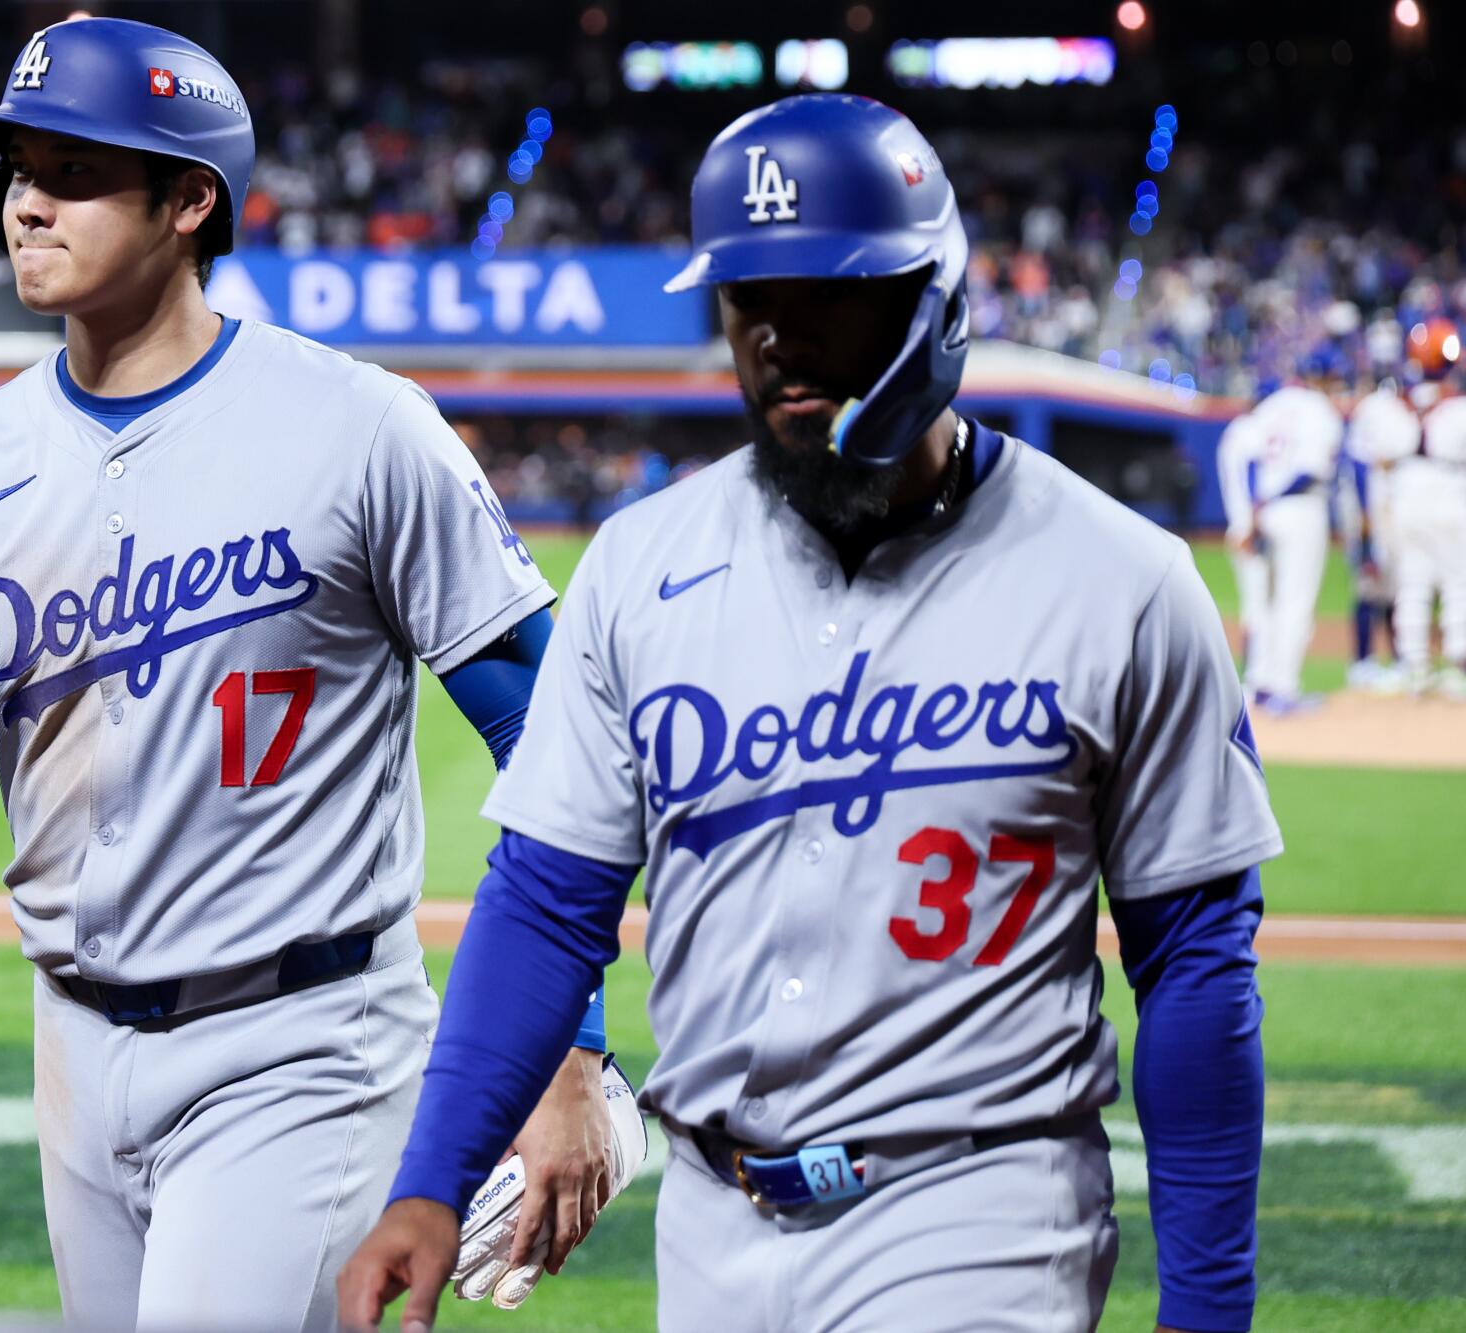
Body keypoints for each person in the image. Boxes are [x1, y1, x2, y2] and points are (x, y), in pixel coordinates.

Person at [340, 94, 1280, 1333]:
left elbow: (1192, 958)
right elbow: (544, 899)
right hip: (713, 1224)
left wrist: (1207, 1306)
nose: (778, 337)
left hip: (982, 1214)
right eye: (747, 301)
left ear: (934, 299)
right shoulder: (639, 567)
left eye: (826, 296)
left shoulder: (1120, 579)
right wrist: (431, 1183)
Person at [0, 19, 622, 1330]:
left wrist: (570, 1044)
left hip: (304, 1043)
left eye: (71, 171)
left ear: (192, 202)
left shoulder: (360, 429)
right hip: (71, 1044)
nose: (24, 203)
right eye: (17, 167)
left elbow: (553, 728)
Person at [1246, 368, 1343, 715]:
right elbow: (1308, 471)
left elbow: (1252, 460)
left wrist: (1258, 503)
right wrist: (1273, 495)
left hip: (1267, 508)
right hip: (1301, 507)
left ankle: (1259, 683)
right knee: (1295, 601)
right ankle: (1283, 689)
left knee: (1268, 601)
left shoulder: (1271, 404)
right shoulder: (1319, 408)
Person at [1340, 379, 1421, 692]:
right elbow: (1359, 465)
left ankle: (1401, 660)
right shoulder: (1377, 409)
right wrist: (1363, 516)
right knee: (1368, 585)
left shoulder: (1401, 415)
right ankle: (1362, 662)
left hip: (1391, 508)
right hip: (1370, 507)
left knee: (1395, 589)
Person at [1396, 378, 1466, 698]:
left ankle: (1415, 667)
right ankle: (1457, 667)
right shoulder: (1458, 409)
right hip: (1448, 488)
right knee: (1458, 582)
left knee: (1412, 585)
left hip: (1408, 490)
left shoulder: (1401, 408)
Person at [1215, 405, 1271, 696]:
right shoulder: (1251, 430)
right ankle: (1253, 680)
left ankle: (1254, 678)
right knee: (1258, 607)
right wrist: (1252, 521)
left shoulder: (1233, 431)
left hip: (1239, 524)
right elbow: (1252, 471)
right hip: (1249, 526)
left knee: (1257, 605)